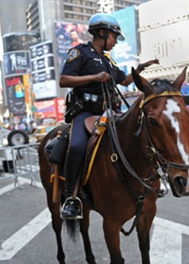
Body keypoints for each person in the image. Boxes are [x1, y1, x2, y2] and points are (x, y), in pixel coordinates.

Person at [59, 12, 159, 219]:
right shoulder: (80, 53)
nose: (115, 42)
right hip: (85, 113)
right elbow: (64, 80)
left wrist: (139, 68)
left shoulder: (108, 61)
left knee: (139, 135)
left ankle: (153, 182)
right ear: (102, 33)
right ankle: (71, 198)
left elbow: (124, 81)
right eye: (114, 37)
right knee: (77, 146)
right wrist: (94, 77)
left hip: (110, 113)